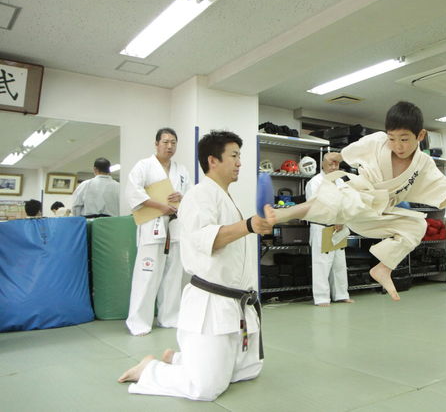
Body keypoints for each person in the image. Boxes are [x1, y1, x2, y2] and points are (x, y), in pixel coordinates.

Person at [119, 130, 275, 401]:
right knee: (205, 388)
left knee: (248, 369)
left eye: (240, 156)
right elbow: (208, 240)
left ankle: (180, 360)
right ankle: (151, 370)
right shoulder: (199, 195)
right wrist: (249, 225)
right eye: (234, 156)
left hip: (237, 303)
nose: (240, 163)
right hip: (211, 304)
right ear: (213, 160)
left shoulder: (224, 196)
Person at [267, 101, 446, 301]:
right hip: (361, 194)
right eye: (392, 138)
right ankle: (284, 213)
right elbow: (354, 150)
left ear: (420, 135)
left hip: (378, 215)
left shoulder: (423, 164)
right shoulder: (377, 141)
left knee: (418, 225)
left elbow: (442, 188)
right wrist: (337, 157)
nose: (398, 146)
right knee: (340, 199)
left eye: (404, 139)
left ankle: (383, 268)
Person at [125, 128, 191, 336]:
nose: (169, 146)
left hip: (175, 228)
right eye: (165, 142)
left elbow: (191, 196)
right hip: (152, 227)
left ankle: (169, 317)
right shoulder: (143, 166)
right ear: (156, 144)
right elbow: (133, 192)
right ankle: (138, 322)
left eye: (173, 142)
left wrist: (182, 196)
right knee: (146, 276)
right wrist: (160, 206)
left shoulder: (181, 170)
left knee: (173, 276)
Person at [306, 154, 353, 306]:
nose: (333, 167)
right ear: (322, 164)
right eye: (330, 164)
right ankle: (321, 298)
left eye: (336, 164)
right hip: (322, 227)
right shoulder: (315, 182)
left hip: (339, 228)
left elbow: (347, 202)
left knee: (339, 263)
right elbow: (315, 206)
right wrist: (335, 218)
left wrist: (342, 219)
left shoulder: (340, 181)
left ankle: (341, 294)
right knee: (322, 264)